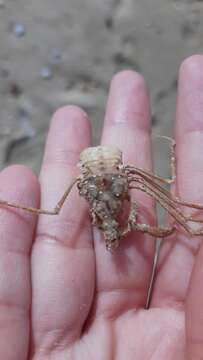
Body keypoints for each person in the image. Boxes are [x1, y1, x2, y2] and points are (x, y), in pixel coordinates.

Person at [0, 55, 202, 359]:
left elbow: (164, 187)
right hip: (102, 171)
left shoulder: (128, 179)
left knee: (177, 210)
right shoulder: (111, 182)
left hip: (109, 171)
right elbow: (54, 210)